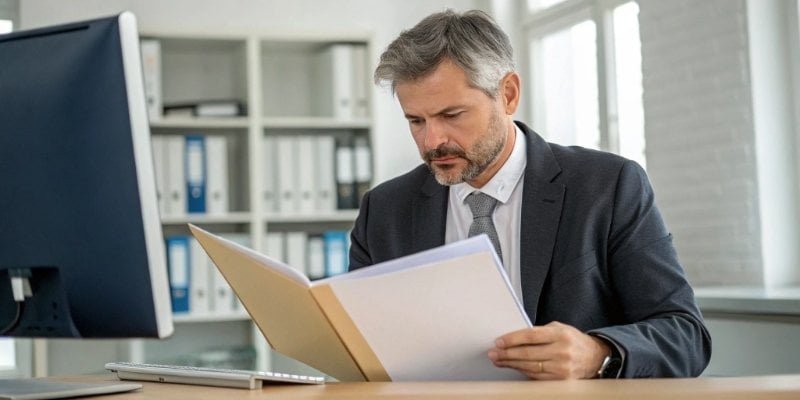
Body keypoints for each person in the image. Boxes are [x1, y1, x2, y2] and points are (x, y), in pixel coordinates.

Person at [348, 9, 711, 379]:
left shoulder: (608, 186)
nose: (432, 141)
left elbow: (686, 336)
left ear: (507, 94)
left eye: (452, 115)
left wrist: (599, 353)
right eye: (416, 121)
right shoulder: (384, 211)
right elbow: (358, 349)